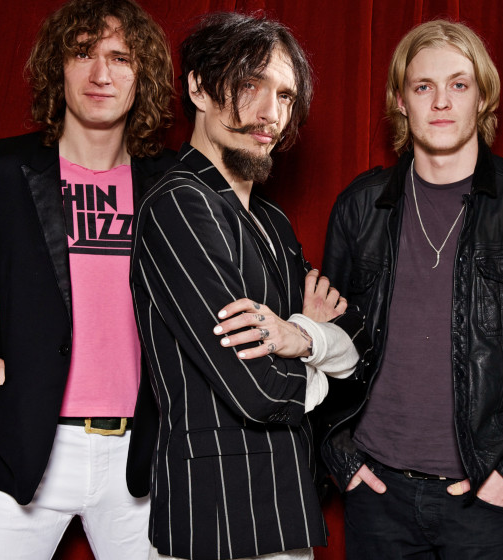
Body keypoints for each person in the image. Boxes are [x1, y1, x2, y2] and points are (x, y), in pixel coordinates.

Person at [0, 0, 175, 558]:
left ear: (141, 76)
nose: (101, 74)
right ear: (57, 67)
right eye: (83, 54)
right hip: (23, 449)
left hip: (142, 458)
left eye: (120, 58)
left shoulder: (172, 183)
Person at [317, 19, 503, 559]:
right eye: (424, 86)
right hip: (376, 496)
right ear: (401, 101)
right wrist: (341, 459)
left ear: (483, 97)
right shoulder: (360, 206)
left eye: (459, 84)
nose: (441, 102)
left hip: (482, 502)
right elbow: (321, 342)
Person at [130, 12, 362, 560]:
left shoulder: (273, 222)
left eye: (285, 96)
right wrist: (320, 345)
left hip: (289, 506)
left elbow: (358, 346)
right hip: (216, 517)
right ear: (199, 88)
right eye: (250, 85)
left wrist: (299, 337)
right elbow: (259, 390)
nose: (271, 114)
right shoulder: (178, 205)